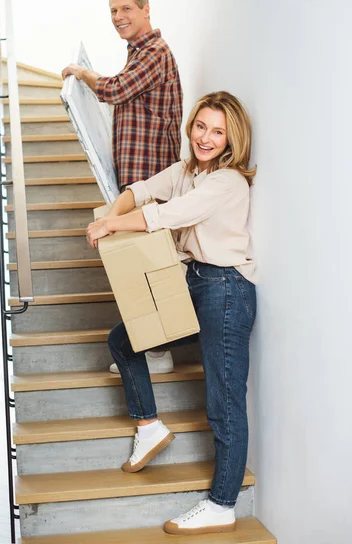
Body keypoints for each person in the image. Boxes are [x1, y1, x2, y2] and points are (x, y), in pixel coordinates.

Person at [86, 91, 257, 535]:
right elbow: (138, 192)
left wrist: (108, 225)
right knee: (124, 339)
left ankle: (223, 504)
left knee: (223, 402)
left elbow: (165, 214)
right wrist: (110, 212)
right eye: (201, 126)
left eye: (217, 131)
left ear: (231, 139)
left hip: (226, 289)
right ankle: (149, 426)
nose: (205, 137)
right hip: (193, 279)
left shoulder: (229, 182)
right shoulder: (186, 170)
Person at [62, 0, 183, 375]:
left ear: (146, 10)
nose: (118, 17)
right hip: (138, 179)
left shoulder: (154, 52)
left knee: (148, 265)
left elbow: (115, 90)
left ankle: (159, 352)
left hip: (151, 178)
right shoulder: (138, 54)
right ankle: (153, 348)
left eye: (126, 9)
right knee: (139, 264)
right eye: (113, 11)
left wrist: (82, 73)